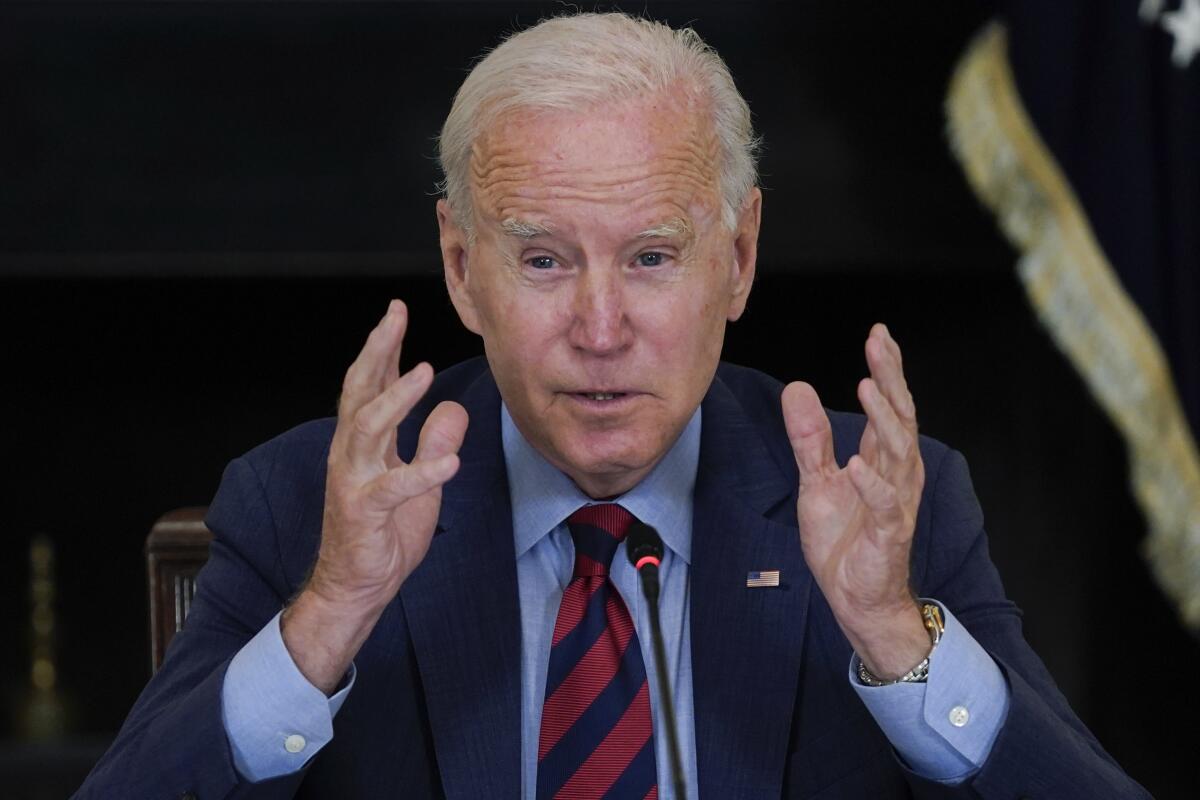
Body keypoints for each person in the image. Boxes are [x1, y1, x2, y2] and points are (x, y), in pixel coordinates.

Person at [76, 12, 1149, 800]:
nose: (599, 327)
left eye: (650, 257)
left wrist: (892, 635)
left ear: (737, 259)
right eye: (543, 258)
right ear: (461, 268)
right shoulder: (304, 504)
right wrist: (324, 620)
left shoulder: (885, 500)